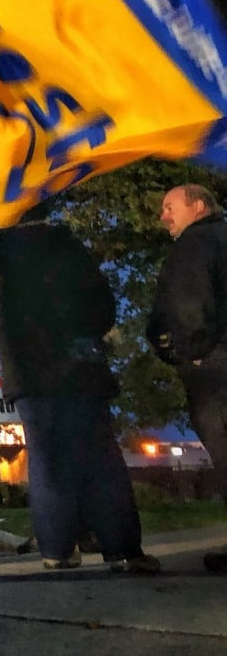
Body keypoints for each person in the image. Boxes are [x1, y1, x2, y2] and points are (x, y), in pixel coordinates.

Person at [0, 204, 159, 574]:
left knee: (47, 462)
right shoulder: (69, 247)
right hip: (77, 361)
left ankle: (58, 549)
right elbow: (102, 304)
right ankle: (123, 548)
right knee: (99, 457)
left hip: (28, 367)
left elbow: (2, 307)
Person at [146, 183, 227, 574]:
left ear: (197, 206)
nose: (163, 216)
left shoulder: (195, 245)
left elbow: (190, 306)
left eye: (169, 206)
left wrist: (189, 352)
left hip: (215, 368)